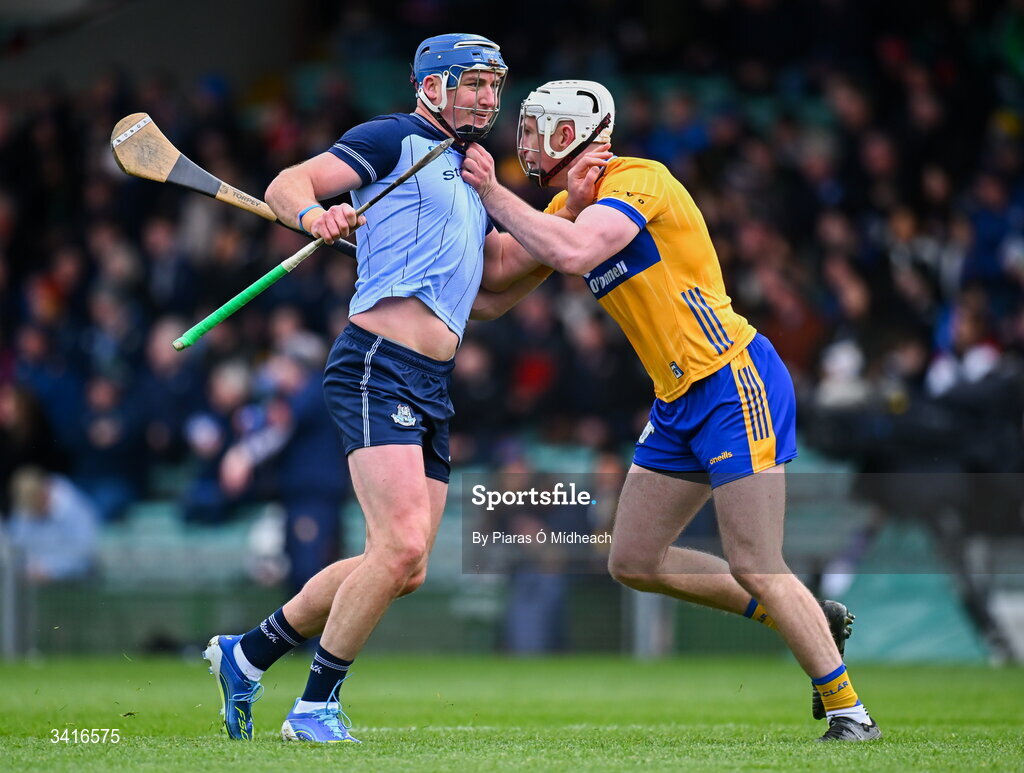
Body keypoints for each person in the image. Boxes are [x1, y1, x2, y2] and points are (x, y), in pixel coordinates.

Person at [460, 80, 882, 742]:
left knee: (756, 561)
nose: (527, 141)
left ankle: (850, 712)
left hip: (731, 378)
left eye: (540, 128)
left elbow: (569, 252)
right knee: (633, 557)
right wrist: (411, 260)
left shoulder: (637, 181)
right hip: (677, 398)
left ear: (573, 133)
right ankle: (806, 618)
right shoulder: (567, 205)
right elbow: (490, 290)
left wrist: (491, 192)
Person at [200, 34, 564, 744]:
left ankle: (248, 654)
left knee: (406, 565)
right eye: (472, 84)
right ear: (432, 85)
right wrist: (316, 215)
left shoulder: (469, 172)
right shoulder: (391, 139)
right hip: (376, 363)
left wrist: (556, 238)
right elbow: (286, 184)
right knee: (396, 547)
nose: (488, 98)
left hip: (430, 380)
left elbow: (483, 297)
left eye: (494, 86)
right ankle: (314, 708)